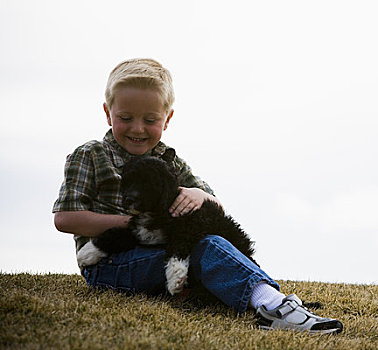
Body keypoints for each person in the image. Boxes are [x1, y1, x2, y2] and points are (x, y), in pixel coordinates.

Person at [52, 58, 343, 335]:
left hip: (162, 258)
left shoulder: (170, 161)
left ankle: (262, 297)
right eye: (125, 118)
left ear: (167, 119)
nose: (138, 128)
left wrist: (198, 195)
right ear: (107, 113)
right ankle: (274, 306)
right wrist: (132, 224)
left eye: (150, 119)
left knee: (210, 242)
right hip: (110, 265)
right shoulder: (90, 154)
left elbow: (217, 206)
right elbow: (65, 219)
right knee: (206, 248)